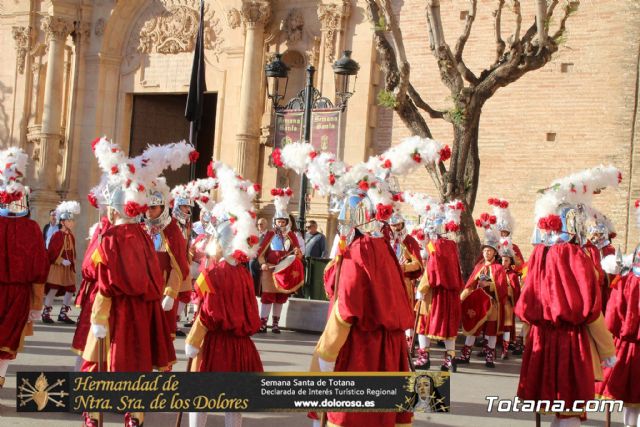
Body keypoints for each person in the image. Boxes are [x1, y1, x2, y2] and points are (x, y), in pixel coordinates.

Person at [81, 137, 194, 427]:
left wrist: (100, 313)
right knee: (134, 361)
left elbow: (101, 275)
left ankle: (101, 412)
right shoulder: (139, 236)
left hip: (115, 308)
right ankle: (129, 413)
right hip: (137, 308)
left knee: (103, 363)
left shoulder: (116, 238)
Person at [516, 166, 618, 426]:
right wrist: (607, 348)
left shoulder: (539, 254)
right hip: (570, 341)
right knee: (570, 408)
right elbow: (587, 307)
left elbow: (527, 304)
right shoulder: (573, 255)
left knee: (558, 406)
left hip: (541, 336)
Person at [185, 161, 263, 427]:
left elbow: (206, 313)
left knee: (202, 394)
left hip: (215, 344)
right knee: (234, 399)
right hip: (241, 345)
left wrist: (193, 341)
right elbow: (252, 312)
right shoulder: (243, 273)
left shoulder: (213, 274)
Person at [0, 147, 49, 388]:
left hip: (16, 292)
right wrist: (37, 303)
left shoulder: (30, 229)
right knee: (8, 343)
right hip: (18, 294)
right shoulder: (31, 229)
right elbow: (40, 266)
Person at [407, 195, 464, 372]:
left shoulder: (437, 245)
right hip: (450, 294)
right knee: (448, 327)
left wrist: (421, 288)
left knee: (423, 323)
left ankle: (424, 358)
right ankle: (450, 360)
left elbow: (433, 270)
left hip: (435, 294)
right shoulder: (451, 245)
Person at [597, 210, 640, 427]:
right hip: (631, 341)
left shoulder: (626, 281)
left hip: (629, 343)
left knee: (630, 396)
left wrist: (612, 333)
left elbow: (613, 316)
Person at [456, 214, 509, 368]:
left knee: (491, 331)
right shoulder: (479, 267)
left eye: (490, 251)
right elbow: (470, 285)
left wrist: (489, 286)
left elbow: (502, 288)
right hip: (478, 303)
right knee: (473, 328)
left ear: (495, 253)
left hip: (492, 304)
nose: (487, 253)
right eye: (485, 250)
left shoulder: (499, 269)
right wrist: (462, 297)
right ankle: (465, 355)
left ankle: (489, 358)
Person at [143, 178, 190, 340]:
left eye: (153, 207)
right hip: (143, 291)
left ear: (163, 208)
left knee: (161, 339)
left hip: (163, 290)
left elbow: (178, 267)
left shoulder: (172, 231)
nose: (149, 211)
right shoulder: (142, 229)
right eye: (147, 207)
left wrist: (170, 293)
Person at [71, 185, 110, 371]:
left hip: (109, 295)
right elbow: (89, 267)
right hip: (100, 293)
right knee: (89, 344)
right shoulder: (103, 229)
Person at [256, 188, 304, 333]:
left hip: (285, 271)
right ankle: (263, 323)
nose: (281, 224)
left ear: (287, 222)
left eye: (283, 221)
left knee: (280, 297)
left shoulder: (291, 235)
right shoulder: (270, 234)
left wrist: (297, 253)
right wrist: (263, 263)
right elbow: (261, 253)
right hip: (270, 270)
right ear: (275, 222)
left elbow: (299, 253)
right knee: (267, 296)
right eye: (279, 221)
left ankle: (275, 324)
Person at [42, 201, 81, 325]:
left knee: (70, 289)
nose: (72, 223)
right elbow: (51, 252)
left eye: (72, 221)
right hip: (57, 266)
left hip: (68, 267)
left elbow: (72, 251)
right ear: (63, 222)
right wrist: (60, 260)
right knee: (53, 288)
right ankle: (46, 313)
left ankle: (63, 314)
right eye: (69, 221)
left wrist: (71, 262)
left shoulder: (71, 236)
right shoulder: (57, 235)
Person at [389, 212, 423, 348]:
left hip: (404, 281)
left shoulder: (409, 241)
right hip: (388, 281)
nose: (395, 228)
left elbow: (418, 264)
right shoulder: (386, 241)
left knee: (405, 309)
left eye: (398, 224)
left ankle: (408, 339)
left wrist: (402, 267)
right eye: (393, 225)